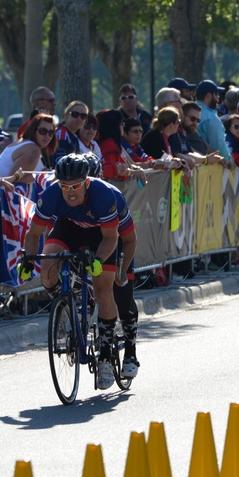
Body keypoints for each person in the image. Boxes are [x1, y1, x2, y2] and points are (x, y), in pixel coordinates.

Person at [19, 154, 126, 390]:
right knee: (47, 269)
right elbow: (34, 234)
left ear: (87, 182)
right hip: (69, 228)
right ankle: (69, 303)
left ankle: (107, 353)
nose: (71, 192)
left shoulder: (103, 194)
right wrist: (27, 260)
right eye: (65, 186)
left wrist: (98, 260)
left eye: (76, 185)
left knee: (102, 289)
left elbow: (111, 237)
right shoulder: (51, 195)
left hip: (101, 235)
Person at [81, 151, 140, 377]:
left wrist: (122, 269)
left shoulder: (110, 196)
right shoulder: (70, 197)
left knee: (122, 296)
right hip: (88, 242)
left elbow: (129, 239)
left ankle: (131, 352)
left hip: (118, 243)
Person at [0, 113, 56, 178]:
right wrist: (45, 177)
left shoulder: (23, 142)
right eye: (43, 131)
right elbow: (13, 180)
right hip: (1, 187)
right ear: (33, 130)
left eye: (51, 132)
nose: (47, 136)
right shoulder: (32, 149)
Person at [195, 80, 231, 164]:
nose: (218, 98)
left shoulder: (189, 111)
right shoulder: (211, 118)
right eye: (216, 94)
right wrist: (229, 160)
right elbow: (218, 145)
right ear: (208, 96)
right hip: (213, 167)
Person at [53, 100, 89, 165]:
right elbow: (59, 161)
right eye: (75, 114)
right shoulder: (62, 134)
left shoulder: (74, 137)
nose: (79, 118)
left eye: (83, 116)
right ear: (66, 115)